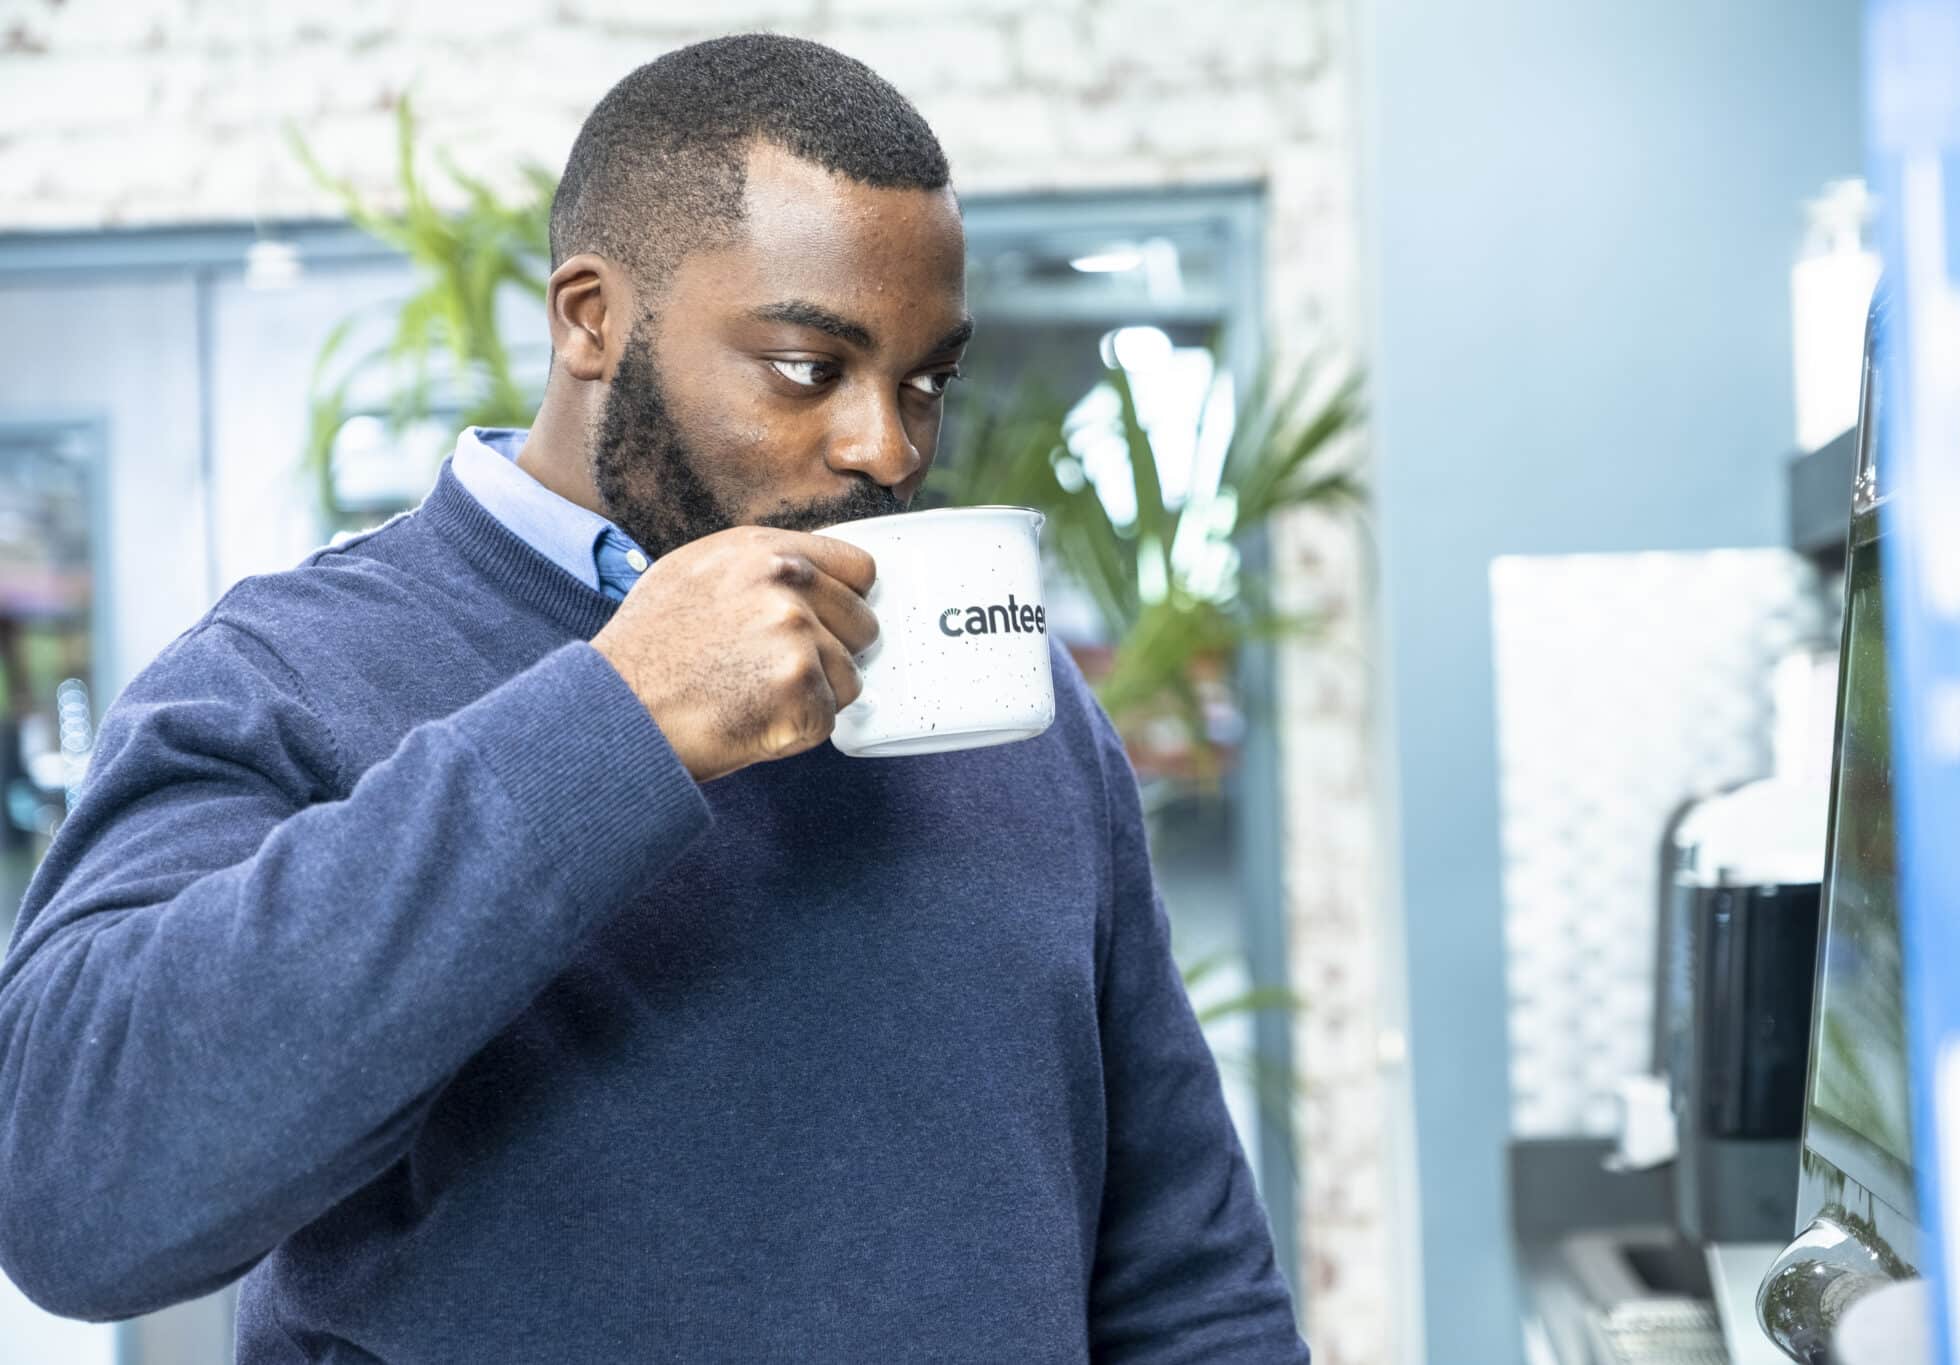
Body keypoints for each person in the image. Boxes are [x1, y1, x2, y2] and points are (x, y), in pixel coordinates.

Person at [0, 35, 1304, 1363]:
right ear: (590, 319)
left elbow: (1188, 1287)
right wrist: (617, 719)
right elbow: (73, 1192)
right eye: (810, 365)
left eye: (926, 378)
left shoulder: (1016, 706)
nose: (888, 446)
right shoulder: (291, 672)